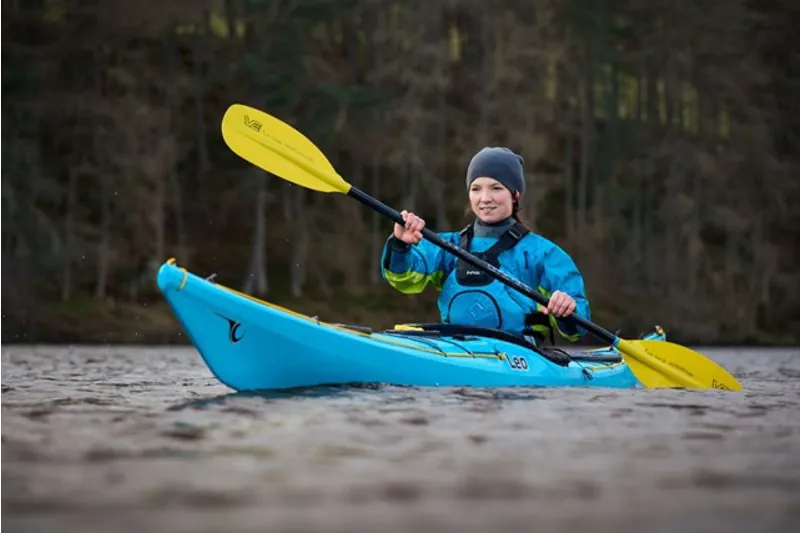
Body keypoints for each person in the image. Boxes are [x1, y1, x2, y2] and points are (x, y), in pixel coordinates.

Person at [380, 146, 590, 345]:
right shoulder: (448, 246)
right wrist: (400, 245)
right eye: (476, 189)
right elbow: (402, 278)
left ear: (515, 195)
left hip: (519, 355)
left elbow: (576, 329)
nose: (485, 198)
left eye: (496, 188)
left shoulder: (543, 254)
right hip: (455, 349)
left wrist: (566, 309)